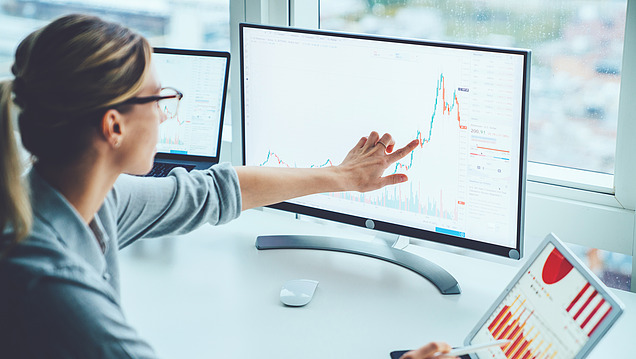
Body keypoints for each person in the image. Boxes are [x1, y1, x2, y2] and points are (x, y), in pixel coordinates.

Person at [0, 14, 456, 359]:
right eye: (158, 98)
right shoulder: (51, 286)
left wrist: (343, 177)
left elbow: (214, 192)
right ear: (113, 126)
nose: (164, 113)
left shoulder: (77, 199)